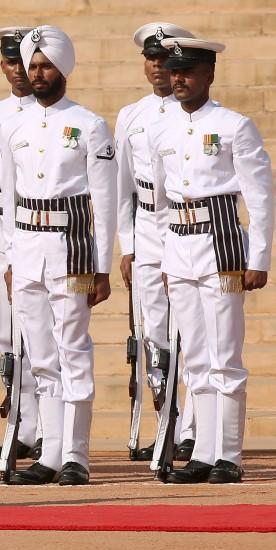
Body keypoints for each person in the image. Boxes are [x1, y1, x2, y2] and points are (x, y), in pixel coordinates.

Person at [149, 37, 273, 484]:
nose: (178, 79)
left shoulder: (234, 125)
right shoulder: (162, 132)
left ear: (209, 75)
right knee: (195, 357)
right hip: (180, 247)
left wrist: (258, 256)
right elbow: (161, 205)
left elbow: (259, 198)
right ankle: (202, 451)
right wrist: (165, 256)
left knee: (225, 357)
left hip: (221, 246)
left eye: (188, 71)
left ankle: (229, 454)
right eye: (174, 71)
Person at [1, 26, 117, 486]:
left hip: (71, 248)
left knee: (73, 350)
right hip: (28, 248)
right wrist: (10, 258)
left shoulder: (89, 124)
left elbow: (104, 203)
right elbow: (7, 199)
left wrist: (101, 267)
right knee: (42, 356)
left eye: (46, 65)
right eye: (32, 66)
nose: (37, 74)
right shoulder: (14, 126)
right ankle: (49, 453)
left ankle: (76, 455)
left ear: (63, 68)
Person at [115, 22, 196, 462]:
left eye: (167, 59)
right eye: (152, 58)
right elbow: (122, 186)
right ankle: (168, 423)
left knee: (193, 334)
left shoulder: (198, 113)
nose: (159, 66)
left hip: (187, 226)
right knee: (156, 338)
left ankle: (195, 432)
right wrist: (127, 244)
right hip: (147, 230)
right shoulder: (131, 115)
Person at [0, 26, 41, 461]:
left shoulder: (50, 114)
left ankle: (37, 427)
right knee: (7, 341)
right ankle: (19, 417)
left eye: (26, 60)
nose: (19, 69)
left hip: (36, 231)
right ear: (3, 65)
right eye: (12, 61)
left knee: (38, 336)